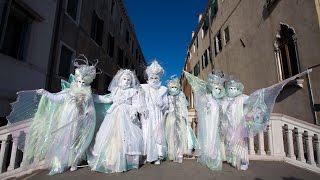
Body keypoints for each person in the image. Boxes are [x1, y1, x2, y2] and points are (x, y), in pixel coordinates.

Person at [7, 55, 99, 175]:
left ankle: (73, 162)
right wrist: (45, 93)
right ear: (75, 81)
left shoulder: (87, 95)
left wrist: (88, 112)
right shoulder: (68, 92)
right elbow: (56, 98)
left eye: (83, 82)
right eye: (79, 81)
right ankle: (61, 162)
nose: (81, 84)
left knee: (76, 141)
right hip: (66, 120)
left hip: (79, 120)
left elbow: (90, 107)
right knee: (64, 140)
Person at [88, 69, 144, 173]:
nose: (126, 81)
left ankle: (126, 160)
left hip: (127, 114)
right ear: (120, 80)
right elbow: (108, 99)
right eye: (124, 79)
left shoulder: (133, 91)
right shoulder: (116, 90)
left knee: (126, 135)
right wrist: (92, 96)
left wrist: (133, 111)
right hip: (114, 114)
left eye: (128, 79)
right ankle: (110, 159)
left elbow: (136, 104)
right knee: (110, 135)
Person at [184, 70, 225, 171]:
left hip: (215, 121)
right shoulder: (206, 96)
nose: (216, 89)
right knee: (207, 135)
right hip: (208, 121)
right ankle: (207, 155)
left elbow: (223, 108)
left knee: (215, 136)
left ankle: (213, 155)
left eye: (218, 87)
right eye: (214, 86)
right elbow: (201, 106)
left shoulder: (220, 98)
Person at [165, 76, 199, 163]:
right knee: (171, 136)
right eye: (172, 87)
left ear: (178, 87)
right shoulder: (168, 97)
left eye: (175, 87)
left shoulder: (181, 95)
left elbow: (184, 107)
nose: (174, 89)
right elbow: (166, 107)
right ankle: (172, 153)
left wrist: (184, 116)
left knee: (181, 135)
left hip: (180, 117)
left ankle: (180, 153)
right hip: (171, 118)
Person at [140, 60, 168, 165]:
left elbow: (166, 104)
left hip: (157, 114)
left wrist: (161, 104)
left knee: (158, 133)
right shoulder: (144, 88)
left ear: (159, 78)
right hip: (147, 114)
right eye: (152, 78)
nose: (154, 80)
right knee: (147, 132)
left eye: (156, 78)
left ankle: (157, 155)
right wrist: (142, 108)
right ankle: (147, 154)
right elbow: (140, 100)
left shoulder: (163, 89)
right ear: (148, 78)